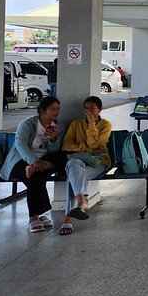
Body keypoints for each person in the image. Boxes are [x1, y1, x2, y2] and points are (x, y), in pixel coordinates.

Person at [0, 96, 67, 232]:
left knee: (63, 157)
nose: (56, 112)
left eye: (58, 109)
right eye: (52, 109)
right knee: (35, 177)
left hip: (44, 160)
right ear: (42, 111)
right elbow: (19, 144)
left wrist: (53, 139)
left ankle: (38, 215)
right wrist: (34, 161)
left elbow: (55, 151)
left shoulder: (59, 126)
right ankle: (33, 217)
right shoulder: (28, 124)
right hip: (21, 160)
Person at [58, 96, 112, 235]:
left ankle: (68, 219)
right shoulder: (76, 124)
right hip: (79, 160)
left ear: (100, 110)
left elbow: (97, 145)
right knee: (72, 164)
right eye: (86, 108)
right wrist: (86, 149)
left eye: (92, 108)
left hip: (98, 162)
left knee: (73, 177)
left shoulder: (106, 125)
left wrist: (92, 123)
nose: (89, 111)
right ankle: (82, 201)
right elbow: (66, 145)